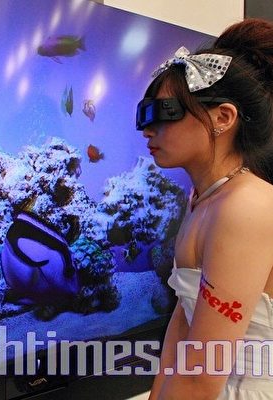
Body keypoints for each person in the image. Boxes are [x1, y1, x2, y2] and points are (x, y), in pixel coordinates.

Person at [138, 18, 273, 399]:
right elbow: (182, 324)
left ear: (223, 118)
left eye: (163, 112)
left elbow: (202, 376)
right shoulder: (205, 198)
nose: (147, 129)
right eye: (143, 113)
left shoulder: (245, 205)